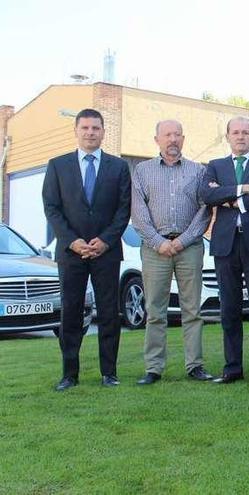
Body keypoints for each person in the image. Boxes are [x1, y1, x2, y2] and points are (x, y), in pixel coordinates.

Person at [42, 108, 131, 391]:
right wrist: (71, 241)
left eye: (96, 128)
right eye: (85, 128)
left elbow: (123, 209)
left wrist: (105, 240)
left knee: (108, 312)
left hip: (107, 252)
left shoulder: (118, 167)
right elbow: (52, 208)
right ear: (76, 131)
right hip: (71, 253)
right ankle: (69, 374)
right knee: (70, 312)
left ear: (103, 131)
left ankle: (109, 373)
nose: (90, 133)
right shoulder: (57, 165)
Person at [199, 117, 249, 385]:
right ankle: (232, 367)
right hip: (225, 244)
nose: (241, 137)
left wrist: (231, 201)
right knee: (229, 309)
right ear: (228, 137)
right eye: (236, 132)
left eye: (246, 132)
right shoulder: (215, 166)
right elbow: (208, 196)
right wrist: (243, 190)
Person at [130, 120, 213, 385]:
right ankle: (153, 368)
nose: (172, 139)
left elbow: (205, 210)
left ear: (184, 139)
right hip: (155, 250)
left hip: (189, 248)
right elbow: (138, 213)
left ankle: (195, 366)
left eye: (177, 135)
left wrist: (182, 241)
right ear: (157, 140)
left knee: (192, 310)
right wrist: (158, 242)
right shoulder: (142, 171)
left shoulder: (198, 171)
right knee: (155, 310)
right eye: (167, 135)